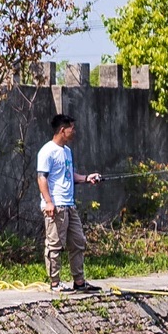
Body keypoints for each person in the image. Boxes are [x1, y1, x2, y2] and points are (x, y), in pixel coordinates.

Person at [38, 113, 103, 293]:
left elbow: (69, 175)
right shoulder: (47, 151)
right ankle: (55, 283)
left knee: (78, 241)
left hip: (69, 204)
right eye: (71, 128)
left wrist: (86, 178)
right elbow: (41, 178)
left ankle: (79, 282)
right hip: (56, 206)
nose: (74, 131)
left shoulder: (67, 151)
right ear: (62, 130)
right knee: (55, 245)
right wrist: (49, 202)